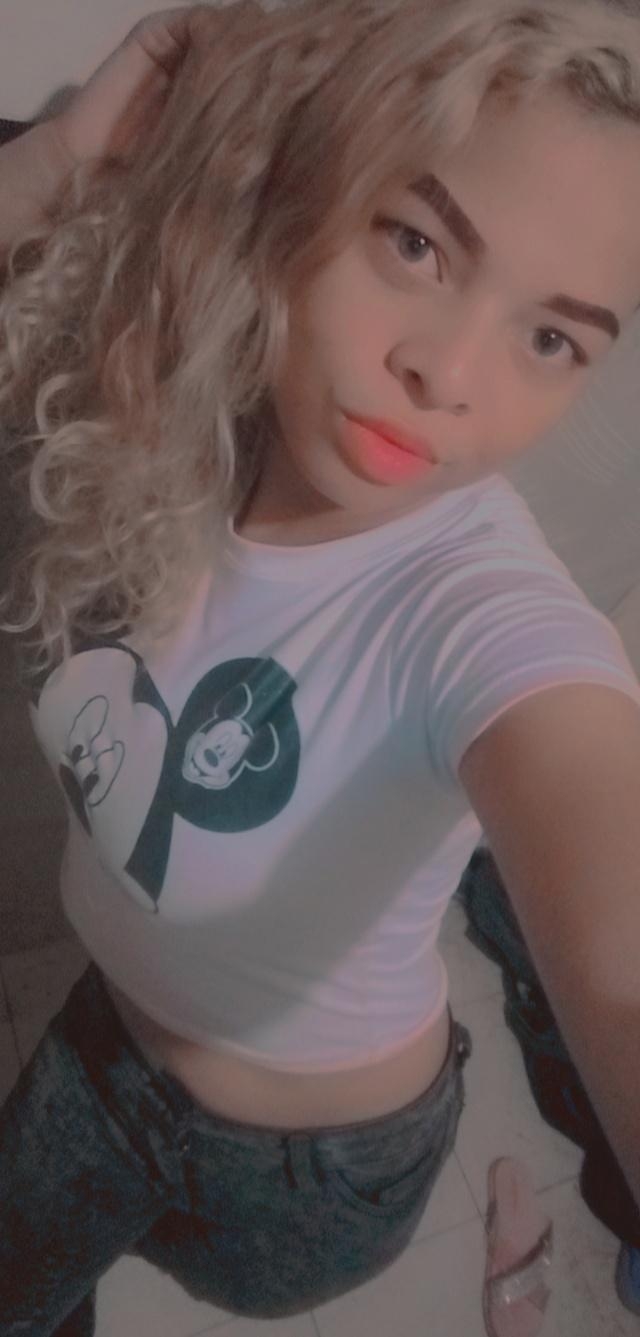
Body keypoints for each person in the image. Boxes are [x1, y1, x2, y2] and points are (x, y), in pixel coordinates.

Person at [1, 1, 640, 1333]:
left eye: (552, 338)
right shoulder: (153, 388)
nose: (445, 374)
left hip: (315, 1175)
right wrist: (61, 163)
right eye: (415, 242)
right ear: (301, 175)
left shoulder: (482, 614)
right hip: (102, 1048)